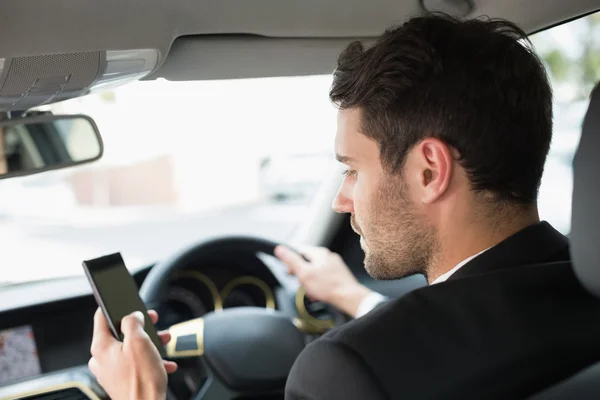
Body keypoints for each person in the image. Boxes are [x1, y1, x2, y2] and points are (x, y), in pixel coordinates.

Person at [89, 13, 600, 400]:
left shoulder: (349, 369)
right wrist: (356, 301)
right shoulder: (585, 297)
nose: (341, 198)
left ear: (429, 171)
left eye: (353, 169)